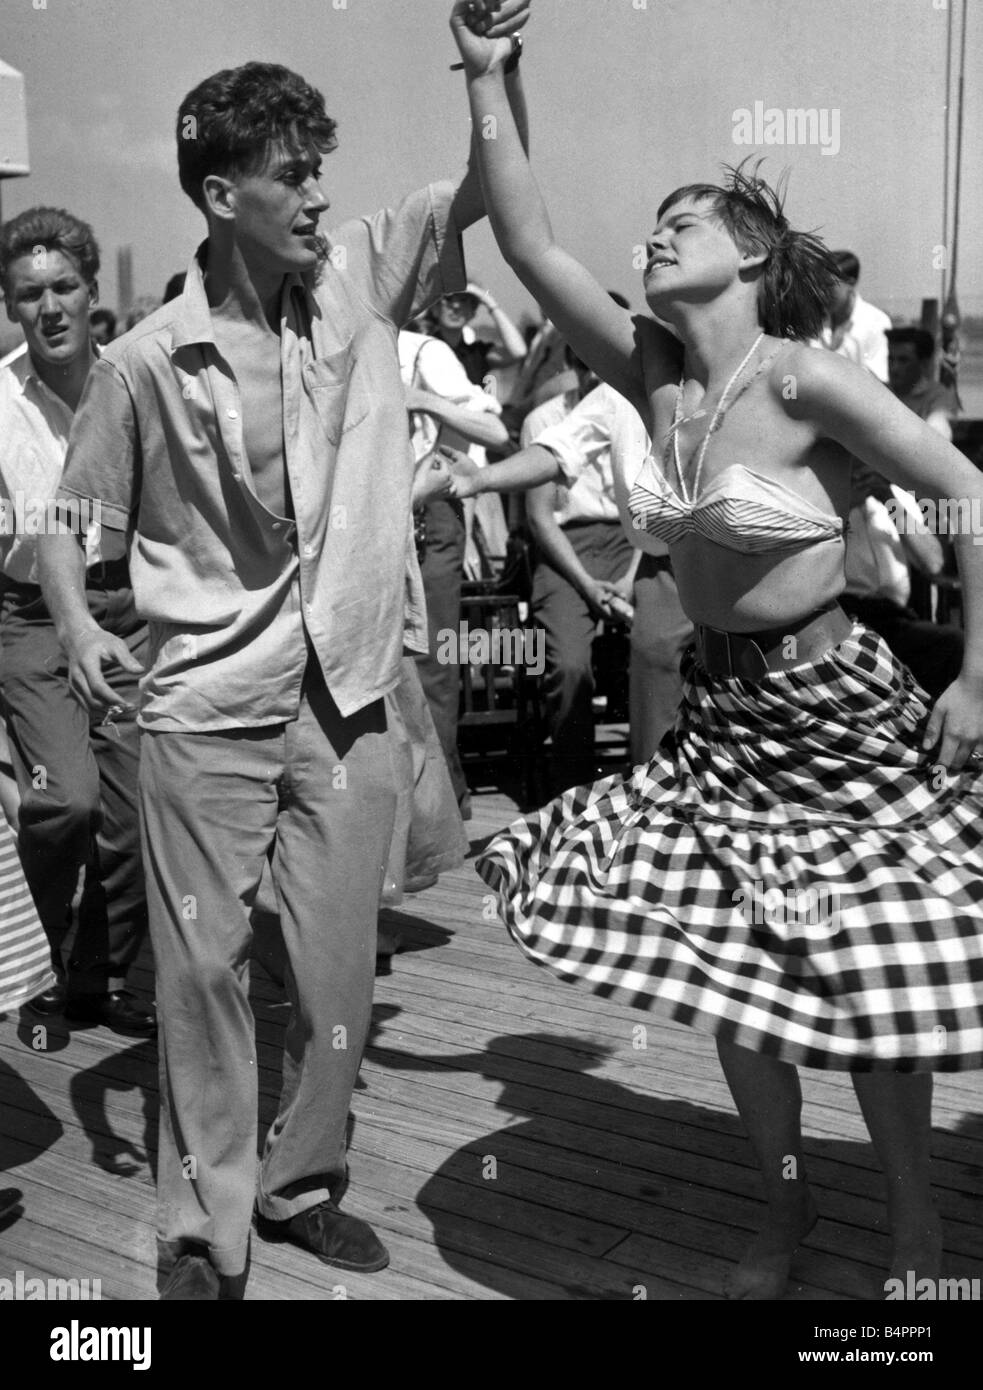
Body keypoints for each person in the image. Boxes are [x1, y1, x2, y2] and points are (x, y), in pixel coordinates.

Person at [451, 0, 983, 1300]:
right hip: (723, 727)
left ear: (746, 257)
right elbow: (524, 239)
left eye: (681, 222)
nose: (654, 233)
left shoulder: (801, 384)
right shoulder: (652, 378)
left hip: (840, 713)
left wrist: (975, 674)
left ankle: (912, 1227)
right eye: (655, 223)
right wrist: (487, 72)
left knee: (862, 977)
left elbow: (968, 488)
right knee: (740, 986)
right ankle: (783, 1212)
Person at [39, 22, 531, 1301]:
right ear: (220, 193)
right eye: (293, 172)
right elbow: (67, 518)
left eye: (324, 164)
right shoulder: (140, 362)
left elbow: (481, 187)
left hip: (353, 694)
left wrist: (487, 71)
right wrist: (84, 622)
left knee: (334, 971)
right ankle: (205, 1230)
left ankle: (304, 1181)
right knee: (200, 974)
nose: (319, 191)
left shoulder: (361, 277)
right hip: (204, 702)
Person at [0, 207, 154, 1036]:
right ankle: (38, 960)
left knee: (132, 810)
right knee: (65, 802)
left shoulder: (135, 382)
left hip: (127, 605)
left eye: (64, 286)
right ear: (9, 306)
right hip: (26, 614)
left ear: (93, 292)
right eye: (29, 294)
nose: (49, 306)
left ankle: (105, 978)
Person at [454, 376, 694, 772]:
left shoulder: (649, 391)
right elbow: (539, 515)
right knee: (568, 664)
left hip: (635, 545)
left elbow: (653, 513)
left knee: (659, 652)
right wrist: (586, 585)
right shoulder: (547, 417)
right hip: (565, 548)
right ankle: (575, 782)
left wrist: (631, 574)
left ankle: (659, 775)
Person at [399, 327, 508, 815]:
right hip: (360, 509)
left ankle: (442, 801)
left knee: (430, 661)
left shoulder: (423, 350)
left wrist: (423, 399)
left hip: (427, 514)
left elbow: (495, 432)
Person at [817, 250, 892, 382]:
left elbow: (878, 378)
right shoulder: (812, 322)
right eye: (819, 286)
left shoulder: (877, 323)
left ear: (851, 282)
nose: (822, 293)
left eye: (829, 286)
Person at [886, 326, 956, 438]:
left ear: (924, 363)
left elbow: (939, 431)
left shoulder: (938, 396)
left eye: (903, 360)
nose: (894, 367)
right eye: (890, 359)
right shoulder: (876, 390)